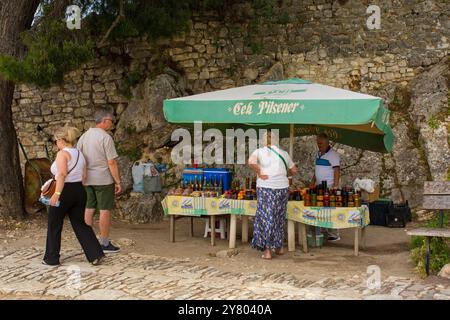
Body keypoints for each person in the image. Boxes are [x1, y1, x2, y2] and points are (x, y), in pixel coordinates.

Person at [43, 126, 104, 266]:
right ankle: (95, 254)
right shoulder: (79, 154)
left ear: (60, 140)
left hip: (64, 190)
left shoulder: (62, 154)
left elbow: (62, 174)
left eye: (55, 141)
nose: (55, 144)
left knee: (54, 223)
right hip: (79, 190)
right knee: (80, 223)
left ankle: (51, 258)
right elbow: (84, 175)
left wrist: (57, 194)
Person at [248, 131, 298, 260]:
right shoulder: (284, 153)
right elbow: (294, 170)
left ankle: (267, 251)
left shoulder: (259, 151)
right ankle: (279, 247)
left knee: (266, 217)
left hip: (266, 187)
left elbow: (251, 162)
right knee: (278, 217)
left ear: (263, 140)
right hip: (282, 188)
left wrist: (260, 172)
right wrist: (284, 173)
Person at [77, 108, 122, 253]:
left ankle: (87, 241)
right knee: (104, 210)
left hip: (87, 179)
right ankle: (104, 242)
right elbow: (112, 162)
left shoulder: (84, 136)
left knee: (89, 208)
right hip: (103, 179)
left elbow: (79, 157)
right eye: (111, 121)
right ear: (103, 121)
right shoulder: (105, 138)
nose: (112, 124)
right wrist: (118, 181)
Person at [311, 132, 341, 241]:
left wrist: (336, 186)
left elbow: (337, 170)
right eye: (318, 143)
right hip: (319, 186)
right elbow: (317, 170)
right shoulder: (318, 154)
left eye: (321, 143)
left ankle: (334, 234)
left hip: (329, 186)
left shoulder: (333, 155)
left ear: (327, 143)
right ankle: (323, 229)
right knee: (320, 208)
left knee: (330, 209)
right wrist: (312, 182)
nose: (319, 145)